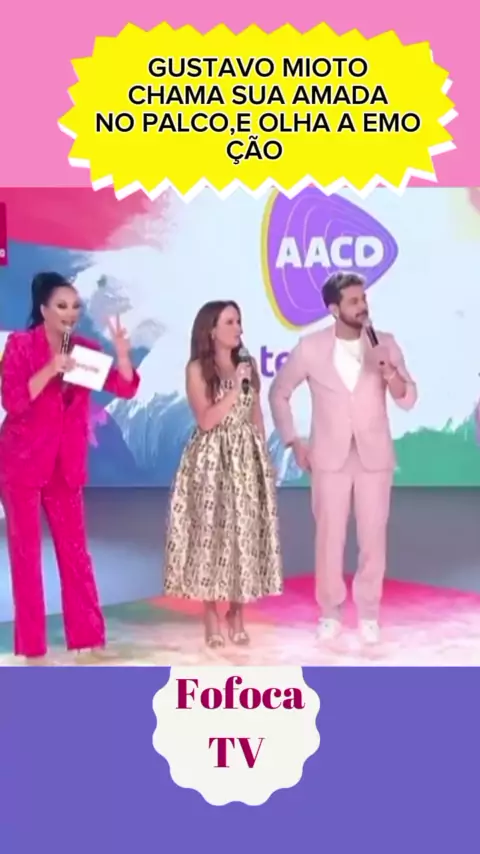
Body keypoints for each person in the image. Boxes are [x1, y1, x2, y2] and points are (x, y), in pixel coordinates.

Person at [269, 272, 417, 645]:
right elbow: (279, 392)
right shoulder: (310, 348)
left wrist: (390, 372)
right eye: (353, 301)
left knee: (373, 537)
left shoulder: (385, 343)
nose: (362, 305)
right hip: (328, 458)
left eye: (363, 298)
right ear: (334, 309)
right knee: (329, 538)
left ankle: (368, 613)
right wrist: (293, 441)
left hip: (374, 457)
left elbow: (408, 398)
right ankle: (330, 613)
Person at [0, 272, 140, 663]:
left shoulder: (84, 350)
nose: (70, 313)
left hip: (65, 467)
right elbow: (13, 400)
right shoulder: (21, 346)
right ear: (44, 310)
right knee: (26, 556)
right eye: (62, 306)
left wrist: (122, 354)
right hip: (22, 464)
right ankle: (32, 648)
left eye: (76, 306)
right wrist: (50, 369)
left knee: (75, 554)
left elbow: (124, 387)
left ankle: (88, 640)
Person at [164, 300, 282, 647]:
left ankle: (237, 612)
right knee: (212, 536)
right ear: (211, 330)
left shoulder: (248, 364)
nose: (238, 328)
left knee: (244, 535)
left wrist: (265, 459)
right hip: (211, 461)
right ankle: (211, 615)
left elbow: (255, 414)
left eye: (239, 321)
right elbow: (206, 420)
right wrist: (233, 389)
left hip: (245, 460)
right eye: (230, 322)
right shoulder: (197, 369)